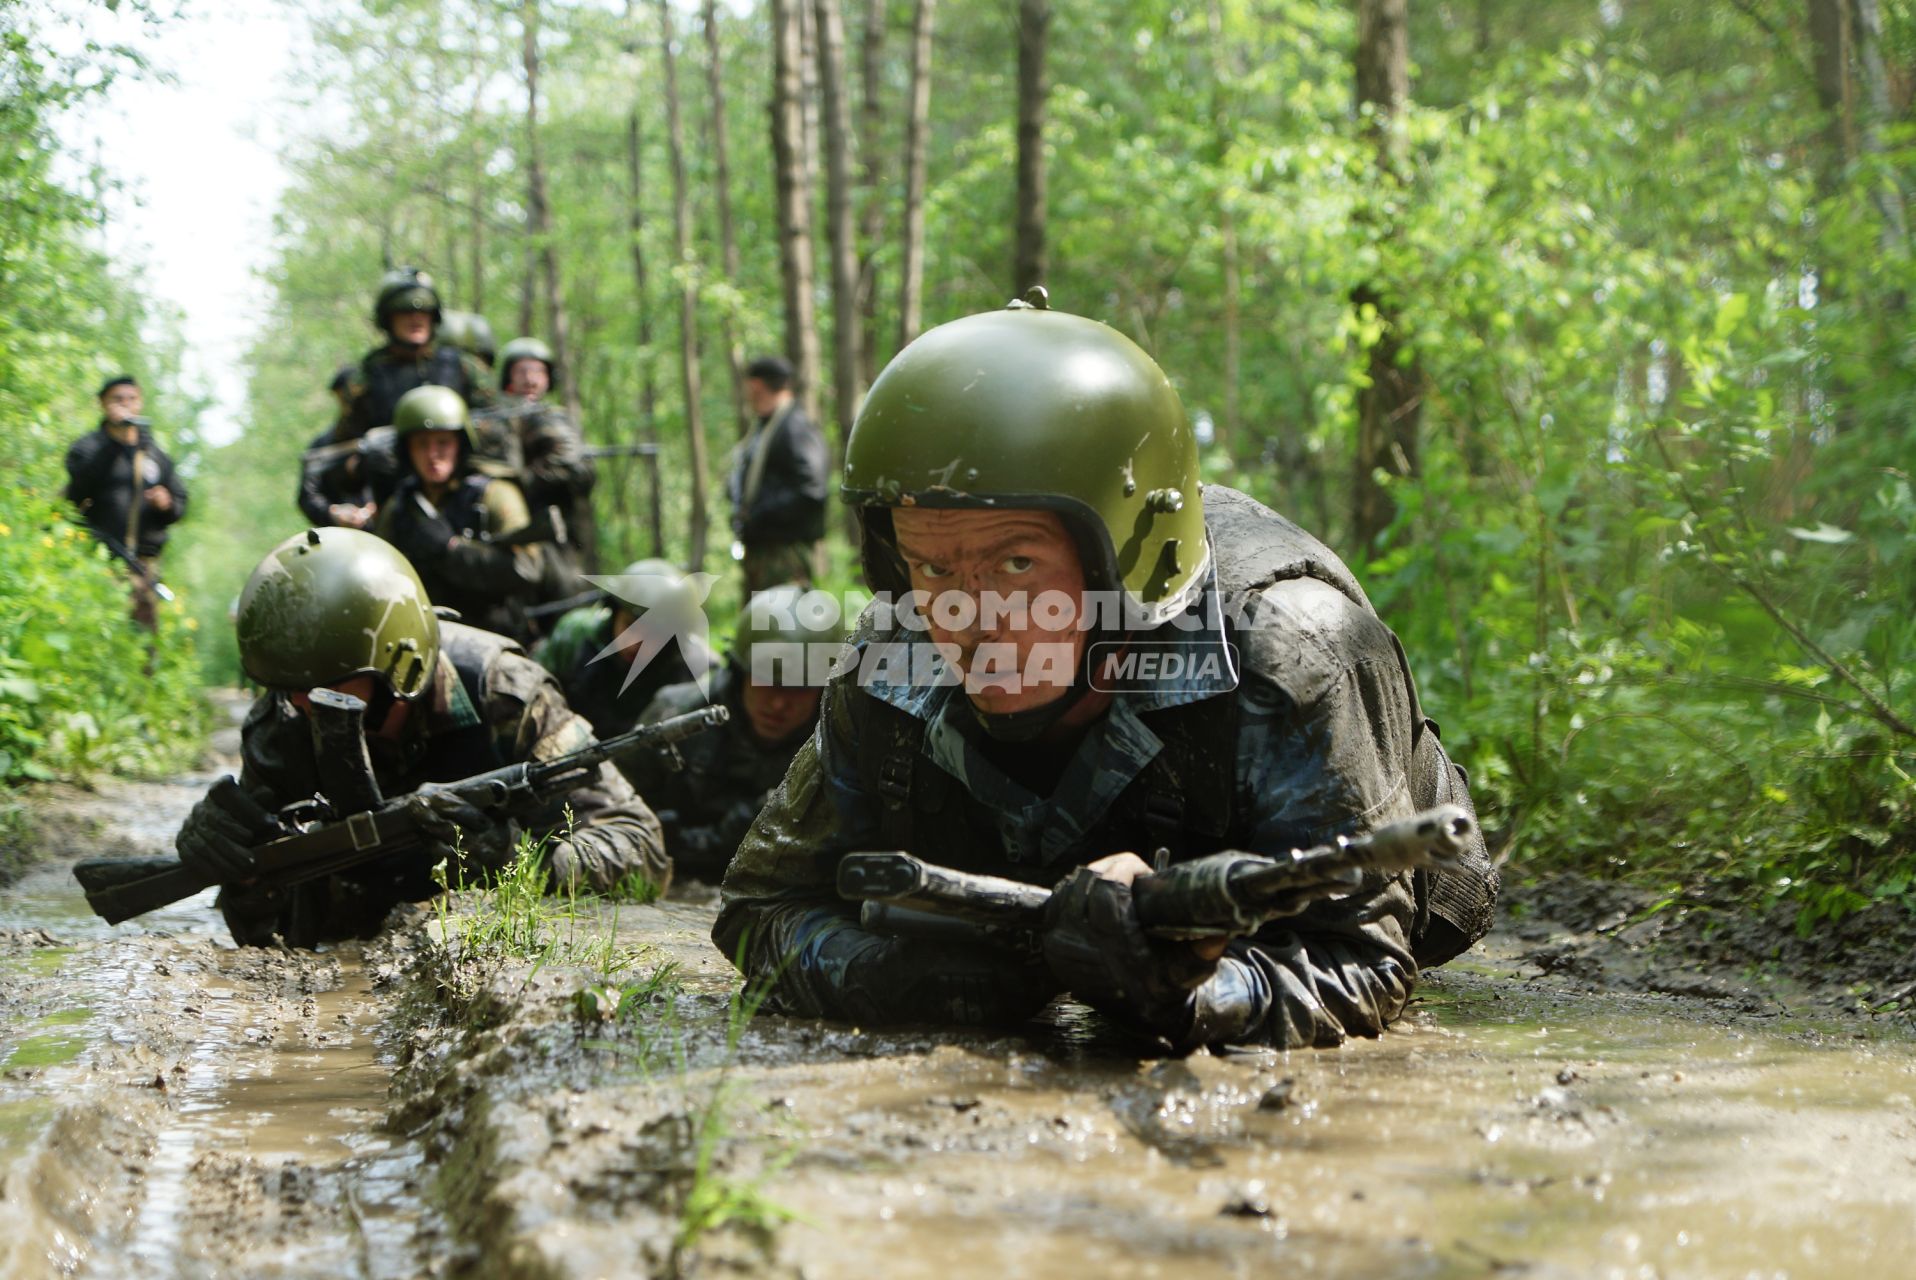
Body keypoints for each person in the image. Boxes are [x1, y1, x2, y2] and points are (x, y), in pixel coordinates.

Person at [714, 296, 1498, 1053]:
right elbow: (760, 906)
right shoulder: (893, 651)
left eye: (1015, 563)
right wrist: (938, 981)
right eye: (929, 565)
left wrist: (1190, 994)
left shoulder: (1290, 648)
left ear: (1125, 562)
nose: (965, 617)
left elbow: (1361, 958)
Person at [173, 526, 670, 947]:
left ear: (399, 663)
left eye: (325, 689)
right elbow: (267, 935)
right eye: (288, 690)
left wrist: (520, 860)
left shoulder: (502, 695)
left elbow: (642, 853)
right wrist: (239, 873)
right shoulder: (282, 723)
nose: (302, 707)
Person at [623, 583, 846, 883]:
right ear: (741, 672)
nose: (779, 703)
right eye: (767, 680)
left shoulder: (839, 744)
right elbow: (615, 812)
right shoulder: (674, 719)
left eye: (798, 688)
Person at [373, 385, 542, 643]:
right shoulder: (399, 508)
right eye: (421, 444)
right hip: (421, 638)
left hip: (493, 639)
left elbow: (529, 569)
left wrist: (453, 550)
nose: (432, 455)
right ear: (407, 450)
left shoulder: (494, 495)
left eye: (443, 443)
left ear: (460, 444)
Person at [535, 558, 718, 740]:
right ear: (614, 613)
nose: (635, 643)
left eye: (653, 634)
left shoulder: (693, 672)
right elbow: (532, 696)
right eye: (630, 625)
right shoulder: (574, 636)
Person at [64, 375, 189, 628]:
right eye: (118, 399)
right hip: (98, 558)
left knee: (142, 642)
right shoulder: (87, 448)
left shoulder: (154, 454)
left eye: (132, 399)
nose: (125, 405)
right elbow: (78, 489)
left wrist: (166, 504)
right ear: (103, 403)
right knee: (95, 629)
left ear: (140, 402)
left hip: (143, 565)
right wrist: (115, 444)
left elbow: (180, 503)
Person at [482, 336, 597, 576]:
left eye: (538, 372)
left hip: (555, 533)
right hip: (503, 526)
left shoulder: (557, 419)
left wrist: (534, 477)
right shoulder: (491, 420)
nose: (530, 380)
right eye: (522, 371)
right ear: (509, 377)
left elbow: (580, 473)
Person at [726, 355, 829, 592]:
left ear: (757, 387)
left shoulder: (795, 427)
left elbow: (811, 489)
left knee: (780, 624)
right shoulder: (765, 428)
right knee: (759, 625)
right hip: (764, 551)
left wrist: (759, 514)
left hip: (784, 553)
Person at [297, 365, 377, 528]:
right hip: (339, 538)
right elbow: (307, 497)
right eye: (347, 397)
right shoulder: (321, 446)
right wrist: (332, 514)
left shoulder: (387, 439)